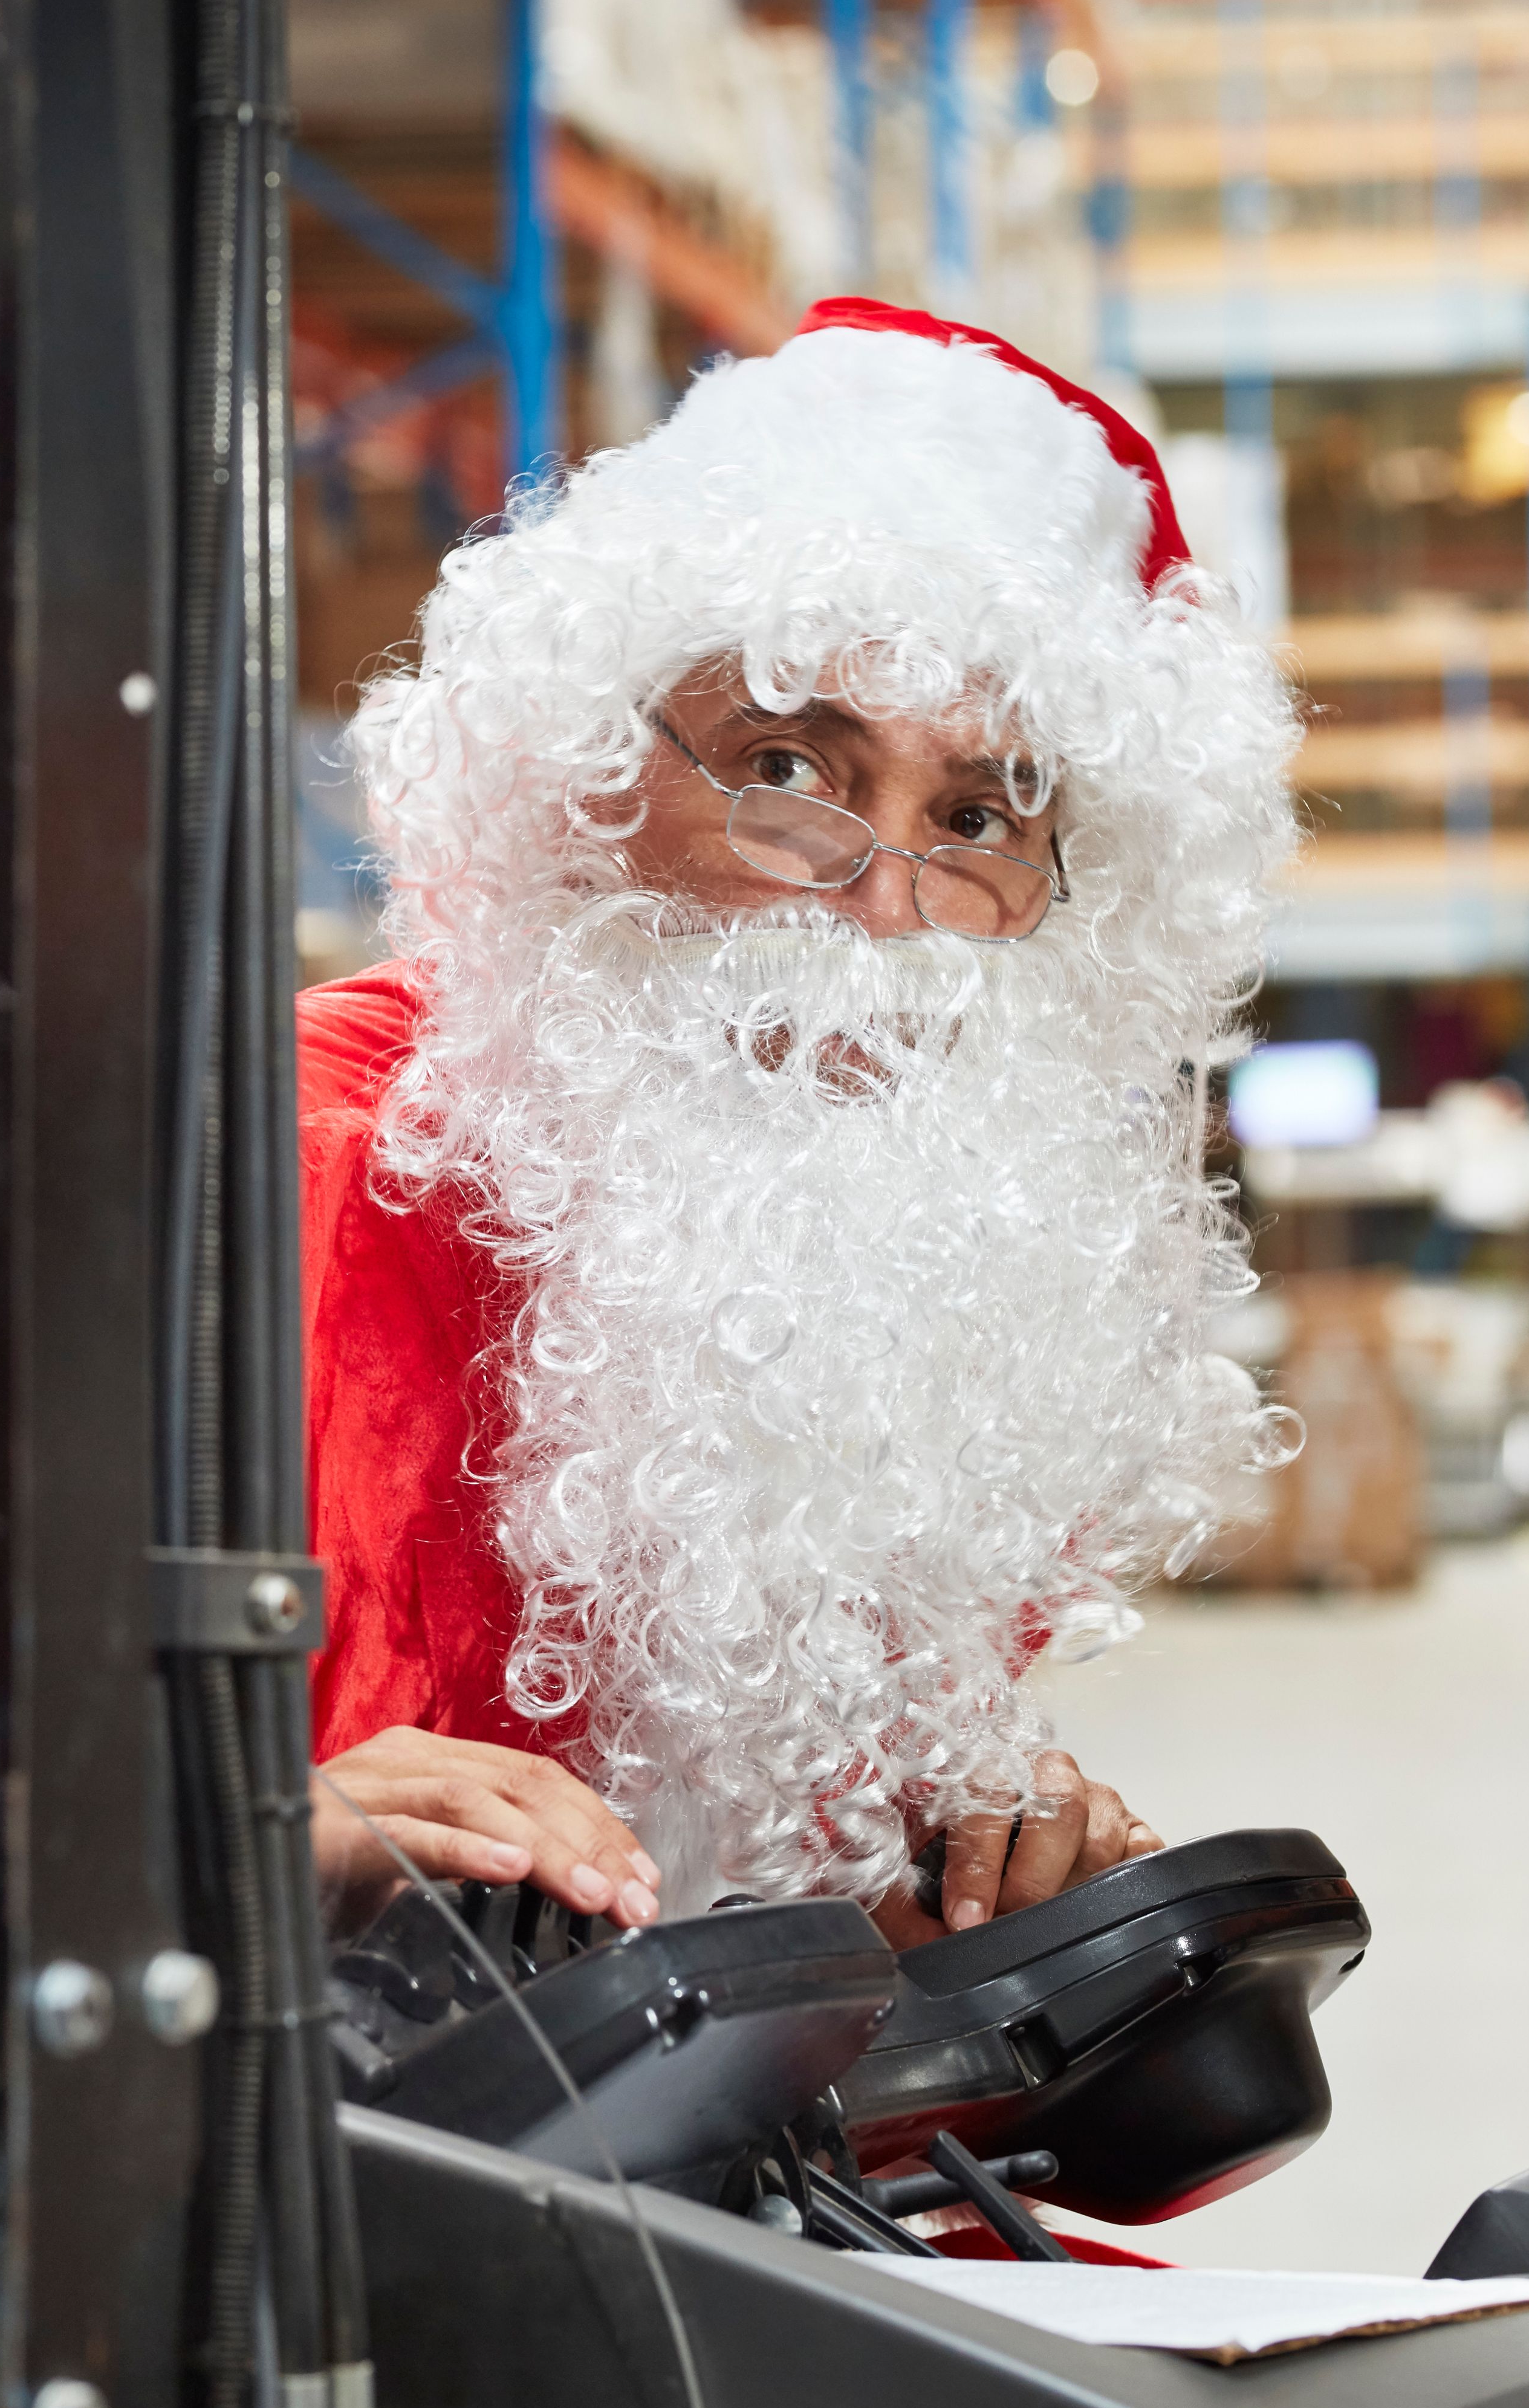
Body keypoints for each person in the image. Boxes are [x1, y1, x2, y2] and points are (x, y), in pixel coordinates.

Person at [302, 299, 1299, 1949]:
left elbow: (740, 1928)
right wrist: (240, 1831)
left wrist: (962, 1880)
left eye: (974, 819)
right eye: (789, 768)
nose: (883, 906)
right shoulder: (253, 1174)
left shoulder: (943, 1280)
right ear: (590, 775)